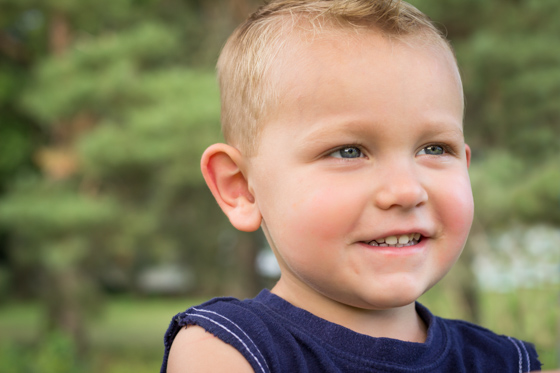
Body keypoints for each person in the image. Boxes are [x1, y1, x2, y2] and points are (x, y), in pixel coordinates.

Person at [161, 0, 542, 371]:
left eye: (434, 148)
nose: (407, 191)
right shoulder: (226, 349)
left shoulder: (502, 361)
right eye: (348, 151)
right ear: (241, 187)